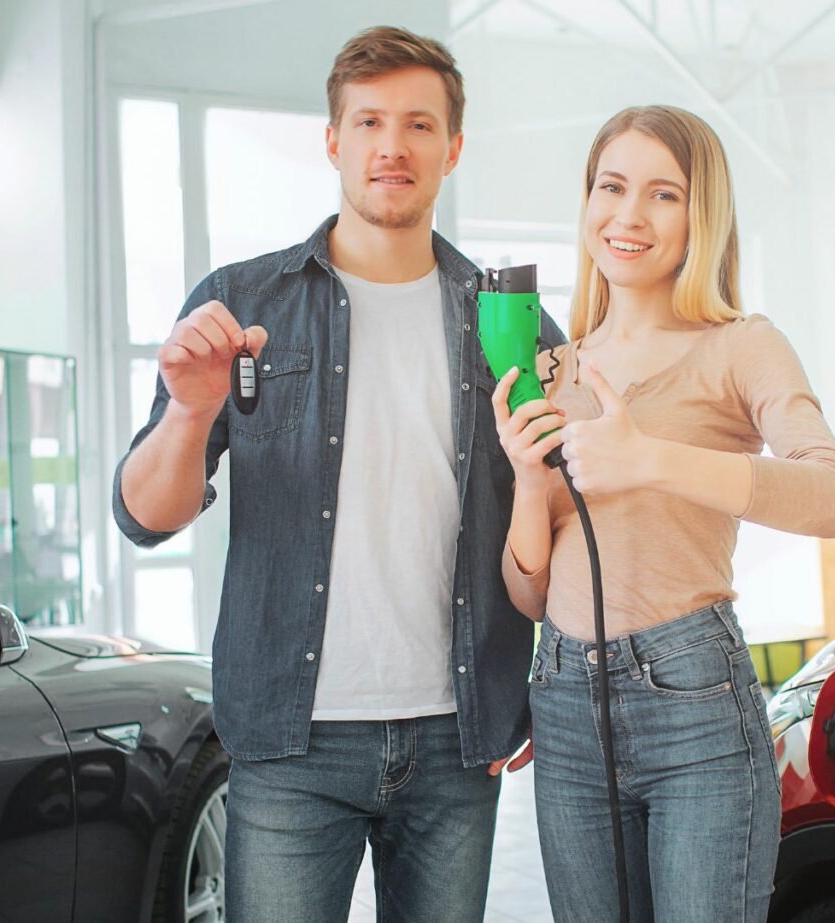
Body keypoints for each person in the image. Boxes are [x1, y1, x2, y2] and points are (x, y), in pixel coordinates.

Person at [113, 26, 561, 922]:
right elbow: (144, 516)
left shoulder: (514, 325)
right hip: (290, 742)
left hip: (458, 738)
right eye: (369, 122)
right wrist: (192, 412)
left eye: (419, 124)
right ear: (333, 141)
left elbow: (559, 531)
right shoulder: (242, 303)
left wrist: (544, 690)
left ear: (453, 148)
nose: (393, 146)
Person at [492, 105, 835, 923]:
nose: (629, 215)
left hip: (692, 701)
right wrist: (524, 476)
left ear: (702, 216)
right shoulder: (551, 367)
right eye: (611, 187)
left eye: (663, 194)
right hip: (563, 699)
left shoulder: (739, 344)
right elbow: (532, 592)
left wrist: (650, 458)